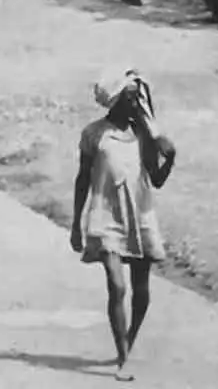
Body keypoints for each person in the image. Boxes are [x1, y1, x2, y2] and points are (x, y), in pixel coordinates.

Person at [70, 70, 176, 382]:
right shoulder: (94, 134)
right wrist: (76, 223)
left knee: (141, 291)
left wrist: (169, 157)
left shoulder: (144, 134)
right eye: (130, 98)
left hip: (139, 216)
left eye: (138, 98)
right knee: (117, 285)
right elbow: (82, 179)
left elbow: (155, 180)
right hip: (106, 216)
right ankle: (123, 357)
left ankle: (128, 338)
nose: (137, 103)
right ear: (115, 100)